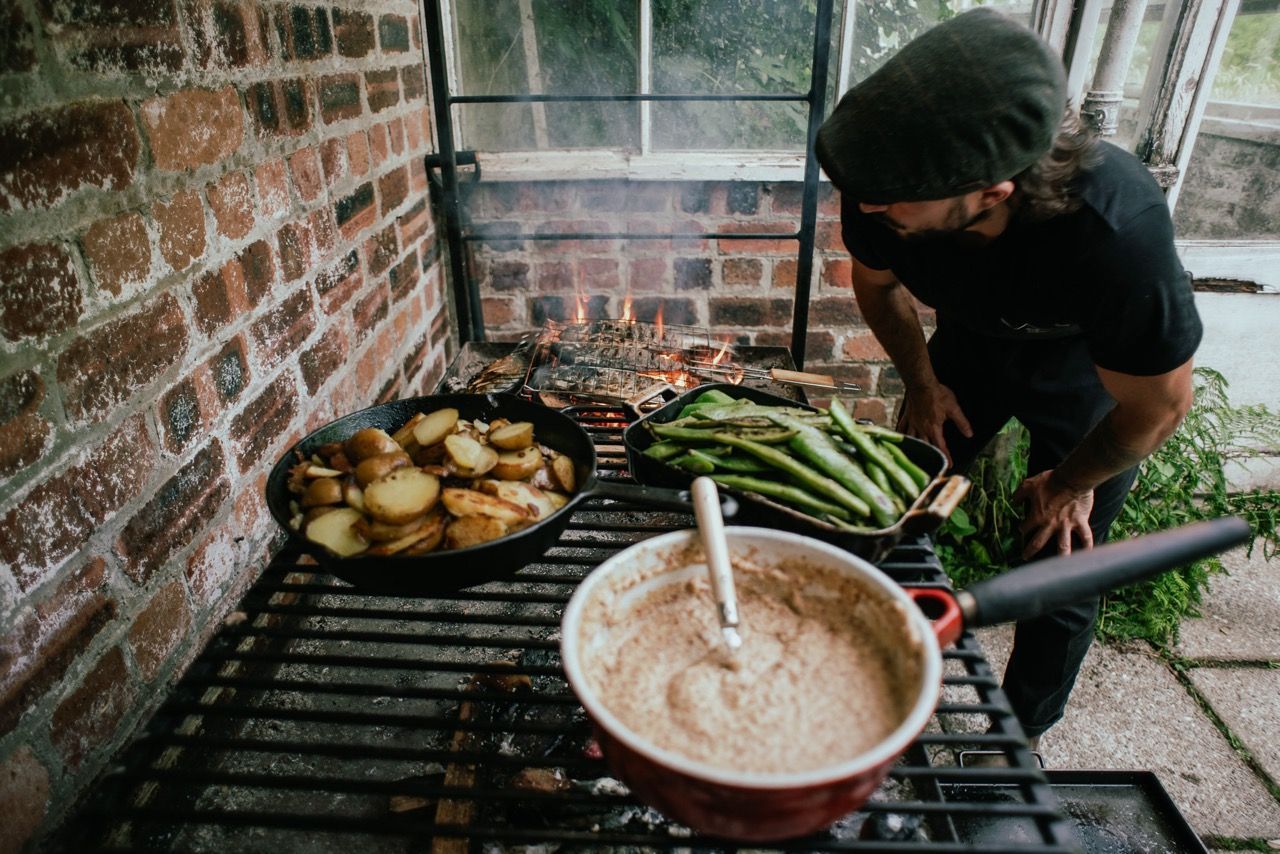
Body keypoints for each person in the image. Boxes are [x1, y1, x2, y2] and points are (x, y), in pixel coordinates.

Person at [814, 8, 1202, 745]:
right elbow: (880, 286)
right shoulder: (883, 187)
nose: (864, 206)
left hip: (1090, 371)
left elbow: (1160, 401)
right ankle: (868, 679)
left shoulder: (1117, 232)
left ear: (992, 191)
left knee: (1065, 557)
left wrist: (1068, 484)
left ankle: (1021, 738)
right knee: (898, 509)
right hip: (970, 343)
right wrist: (924, 384)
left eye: (891, 197)